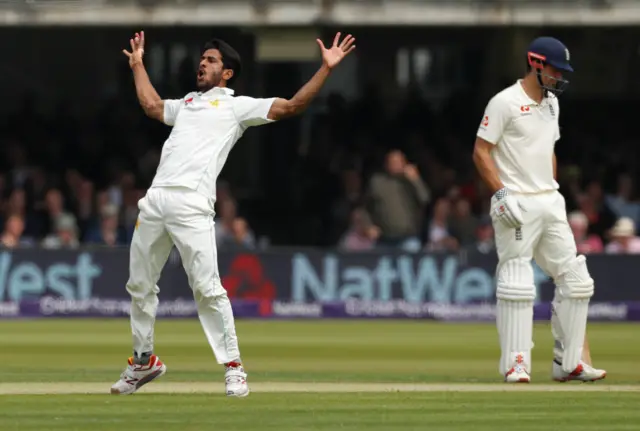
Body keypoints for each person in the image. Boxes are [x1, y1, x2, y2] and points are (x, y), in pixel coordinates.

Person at [111, 31, 356, 397]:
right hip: (156, 200)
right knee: (139, 287)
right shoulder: (188, 102)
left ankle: (234, 367)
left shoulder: (236, 106)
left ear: (226, 73)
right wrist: (137, 64)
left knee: (207, 289)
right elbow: (150, 104)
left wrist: (325, 68)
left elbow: (291, 106)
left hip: (192, 205)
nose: (202, 64)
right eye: (202, 59)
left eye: (210, 61)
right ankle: (143, 361)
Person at [473, 36, 606, 383]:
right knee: (518, 281)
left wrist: (551, 189)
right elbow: (481, 152)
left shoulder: (552, 105)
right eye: (555, 70)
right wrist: (500, 193)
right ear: (535, 63)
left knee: (576, 281)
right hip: (516, 201)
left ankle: (570, 362)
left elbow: (549, 150)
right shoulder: (504, 102)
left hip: (550, 200)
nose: (559, 77)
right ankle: (517, 364)